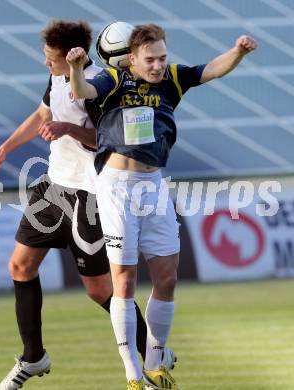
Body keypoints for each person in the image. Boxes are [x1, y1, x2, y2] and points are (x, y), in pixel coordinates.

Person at [0, 20, 175, 390]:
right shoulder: (57, 78)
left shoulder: (99, 86)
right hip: (53, 189)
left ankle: (152, 357)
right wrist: (5, 149)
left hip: (89, 195)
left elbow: (107, 140)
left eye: (51, 59)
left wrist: (69, 129)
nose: (47, 64)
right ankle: (33, 357)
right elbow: (43, 114)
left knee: (100, 290)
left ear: (73, 56)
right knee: (20, 266)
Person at [66, 24, 258, 389]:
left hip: (153, 185)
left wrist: (239, 52)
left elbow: (210, 69)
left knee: (167, 278)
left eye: (162, 58)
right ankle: (133, 376)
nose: (157, 66)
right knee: (124, 281)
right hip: (117, 187)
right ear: (132, 59)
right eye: (149, 60)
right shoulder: (113, 80)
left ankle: (155, 365)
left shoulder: (171, 78)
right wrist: (75, 67)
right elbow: (82, 90)